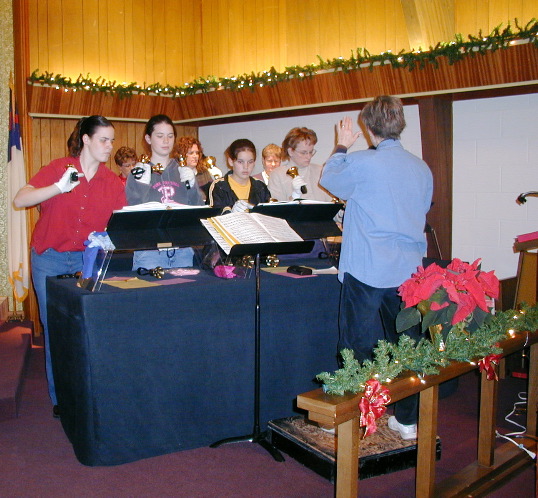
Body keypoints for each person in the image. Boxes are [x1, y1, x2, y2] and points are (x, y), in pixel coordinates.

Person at [320, 96, 433, 440]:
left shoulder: (363, 162)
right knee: (408, 344)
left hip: (369, 267)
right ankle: (408, 421)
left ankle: (355, 418)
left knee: (356, 344)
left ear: (368, 129)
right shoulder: (421, 167)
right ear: (400, 125)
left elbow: (330, 178)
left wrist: (341, 144)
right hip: (409, 271)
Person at [13, 115, 125, 417]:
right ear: (86, 139)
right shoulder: (58, 168)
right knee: (55, 329)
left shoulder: (112, 182)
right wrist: (58, 187)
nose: (109, 146)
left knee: (86, 326)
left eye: (112, 140)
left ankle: (87, 393)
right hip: (49, 258)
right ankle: (61, 398)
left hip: (85, 262)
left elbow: (121, 224)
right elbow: (20, 199)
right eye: (104, 139)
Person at [126, 114, 204, 269]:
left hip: (182, 249)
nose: (166, 141)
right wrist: (142, 185)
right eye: (160, 136)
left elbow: (197, 208)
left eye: (170, 136)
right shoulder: (139, 172)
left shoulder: (182, 170)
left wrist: (192, 185)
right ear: (148, 139)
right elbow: (134, 216)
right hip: (149, 251)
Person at [268, 127, 333, 202]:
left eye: (311, 152)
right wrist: (295, 195)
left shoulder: (320, 171)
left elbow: (332, 201)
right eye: (303, 152)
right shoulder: (277, 175)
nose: (309, 156)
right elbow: (277, 209)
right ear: (290, 151)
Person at [208, 138, 271, 213]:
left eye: (250, 162)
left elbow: (269, 216)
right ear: (231, 161)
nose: (246, 167)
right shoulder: (219, 187)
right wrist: (230, 213)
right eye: (240, 162)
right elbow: (212, 216)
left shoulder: (261, 187)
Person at [175, 136, 221, 202]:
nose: (195, 156)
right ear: (182, 155)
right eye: (191, 153)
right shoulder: (175, 174)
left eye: (197, 153)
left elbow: (213, 195)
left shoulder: (204, 173)